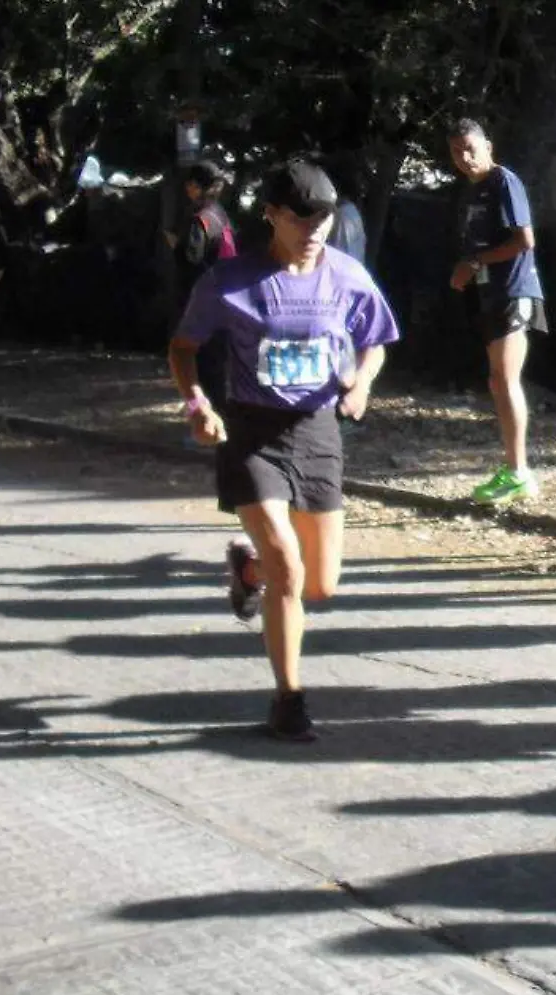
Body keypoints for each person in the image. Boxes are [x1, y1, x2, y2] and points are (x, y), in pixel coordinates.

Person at [167, 159, 398, 741]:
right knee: (290, 571)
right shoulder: (230, 281)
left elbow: (376, 343)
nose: (315, 228)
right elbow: (183, 348)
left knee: (320, 585)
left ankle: (249, 569)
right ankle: (289, 698)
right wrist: (200, 408)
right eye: (301, 217)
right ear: (271, 215)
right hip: (250, 433)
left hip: (318, 431)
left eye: (323, 217)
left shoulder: (347, 277)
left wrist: (363, 383)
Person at [448, 117, 548, 506]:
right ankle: (514, 467)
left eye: (470, 148)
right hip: (490, 294)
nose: (465, 157)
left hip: (514, 291)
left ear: (488, 146)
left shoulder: (504, 181)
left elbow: (525, 240)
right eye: (456, 152)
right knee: (497, 381)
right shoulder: (471, 192)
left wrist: (473, 263)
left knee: (505, 379)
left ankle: (520, 472)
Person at [166, 160, 238, 410]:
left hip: (204, 300)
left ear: (194, 187)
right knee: (216, 364)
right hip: (227, 295)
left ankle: (208, 417)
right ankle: (220, 415)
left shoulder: (201, 220)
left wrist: (176, 245)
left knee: (201, 365)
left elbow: (191, 260)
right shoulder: (220, 214)